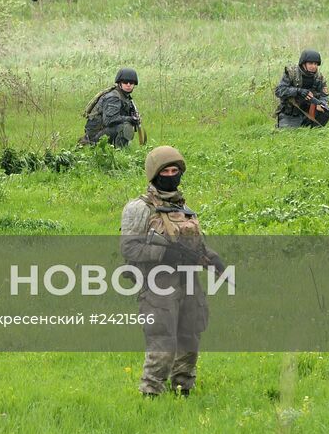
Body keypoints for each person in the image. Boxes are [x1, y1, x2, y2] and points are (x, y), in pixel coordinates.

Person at [120, 145, 224, 397]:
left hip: (189, 280)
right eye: (165, 170)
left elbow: (194, 245)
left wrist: (212, 260)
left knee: (190, 336)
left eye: (175, 170)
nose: (171, 175)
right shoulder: (139, 208)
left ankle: (182, 389)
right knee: (162, 340)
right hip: (158, 283)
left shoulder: (183, 208)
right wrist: (163, 254)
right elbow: (129, 248)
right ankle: (151, 393)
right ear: (154, 174)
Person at [81, 68, 142, 147]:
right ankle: (119, 152)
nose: (128, 84)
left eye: (131, 82)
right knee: (125, 127)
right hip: (95, 135)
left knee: (127, 125)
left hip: (104, 131)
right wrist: (130, 119)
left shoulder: (126, 98)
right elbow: (109, 120)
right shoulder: (113, 97)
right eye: (125, 82)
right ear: (119, 83)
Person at [274, 49, 329, 128]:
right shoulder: (291, 73)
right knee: (289, 133)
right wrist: (298, 91)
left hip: (310, 112)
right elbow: (279, 91)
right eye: (310, 63)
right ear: (303, 63)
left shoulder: (319, 77)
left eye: (315, 64)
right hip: (291, 113)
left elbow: (324, 95)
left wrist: (322, 103)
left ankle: (315, 127)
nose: (314, 66)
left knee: (326, 111)